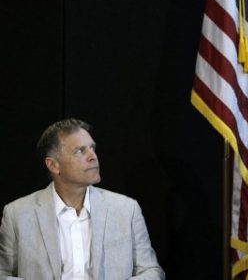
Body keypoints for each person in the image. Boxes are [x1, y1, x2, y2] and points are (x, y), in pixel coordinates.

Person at [0, 119, 166, 280]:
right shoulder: (17, 214)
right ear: (53, 165)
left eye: (92, 148)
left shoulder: (126, 209)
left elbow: (151, 271)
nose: (92, 156)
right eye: (80, 150)